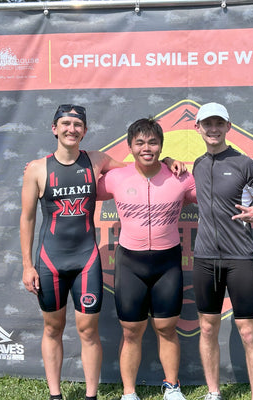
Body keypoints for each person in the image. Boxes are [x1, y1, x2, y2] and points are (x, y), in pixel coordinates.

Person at [20, 105, 184, 400]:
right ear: (54, 128)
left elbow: (138, 165)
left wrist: (168, 160)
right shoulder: (36, 169)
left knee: (87, 330)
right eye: (65, 123)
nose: (72, 129)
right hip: (49, 260)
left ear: (85, 130)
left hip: (86, 259)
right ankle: (54, 395)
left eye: (77, 124)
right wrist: (26, 265)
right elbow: (27, 218)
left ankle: (91, 395)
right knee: (52, 327)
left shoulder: (97, 161)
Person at [97, 118, 196, 400]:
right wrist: (39, 172)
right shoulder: (117, 177)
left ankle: (172, 387)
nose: (146, 148)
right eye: (139, 142)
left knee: (167, 328)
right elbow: (81, 180)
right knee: (131, 332)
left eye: (153, 142)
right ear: (129, 147)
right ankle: (129, 393)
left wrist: (169, 160)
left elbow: (214, 193)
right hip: (130, 264)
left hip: (167, 264)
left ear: (161, 145)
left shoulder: (180, 177)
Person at [192, 102, 253, 400]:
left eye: (219, 123)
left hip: (239, 258)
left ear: (228, 127)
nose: (213, 129)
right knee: (207, 328)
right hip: (204, 259)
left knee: (248, 331)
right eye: (207, 124)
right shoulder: (197, 165)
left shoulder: (245, 164)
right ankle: (213, 392)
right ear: (198, 128)